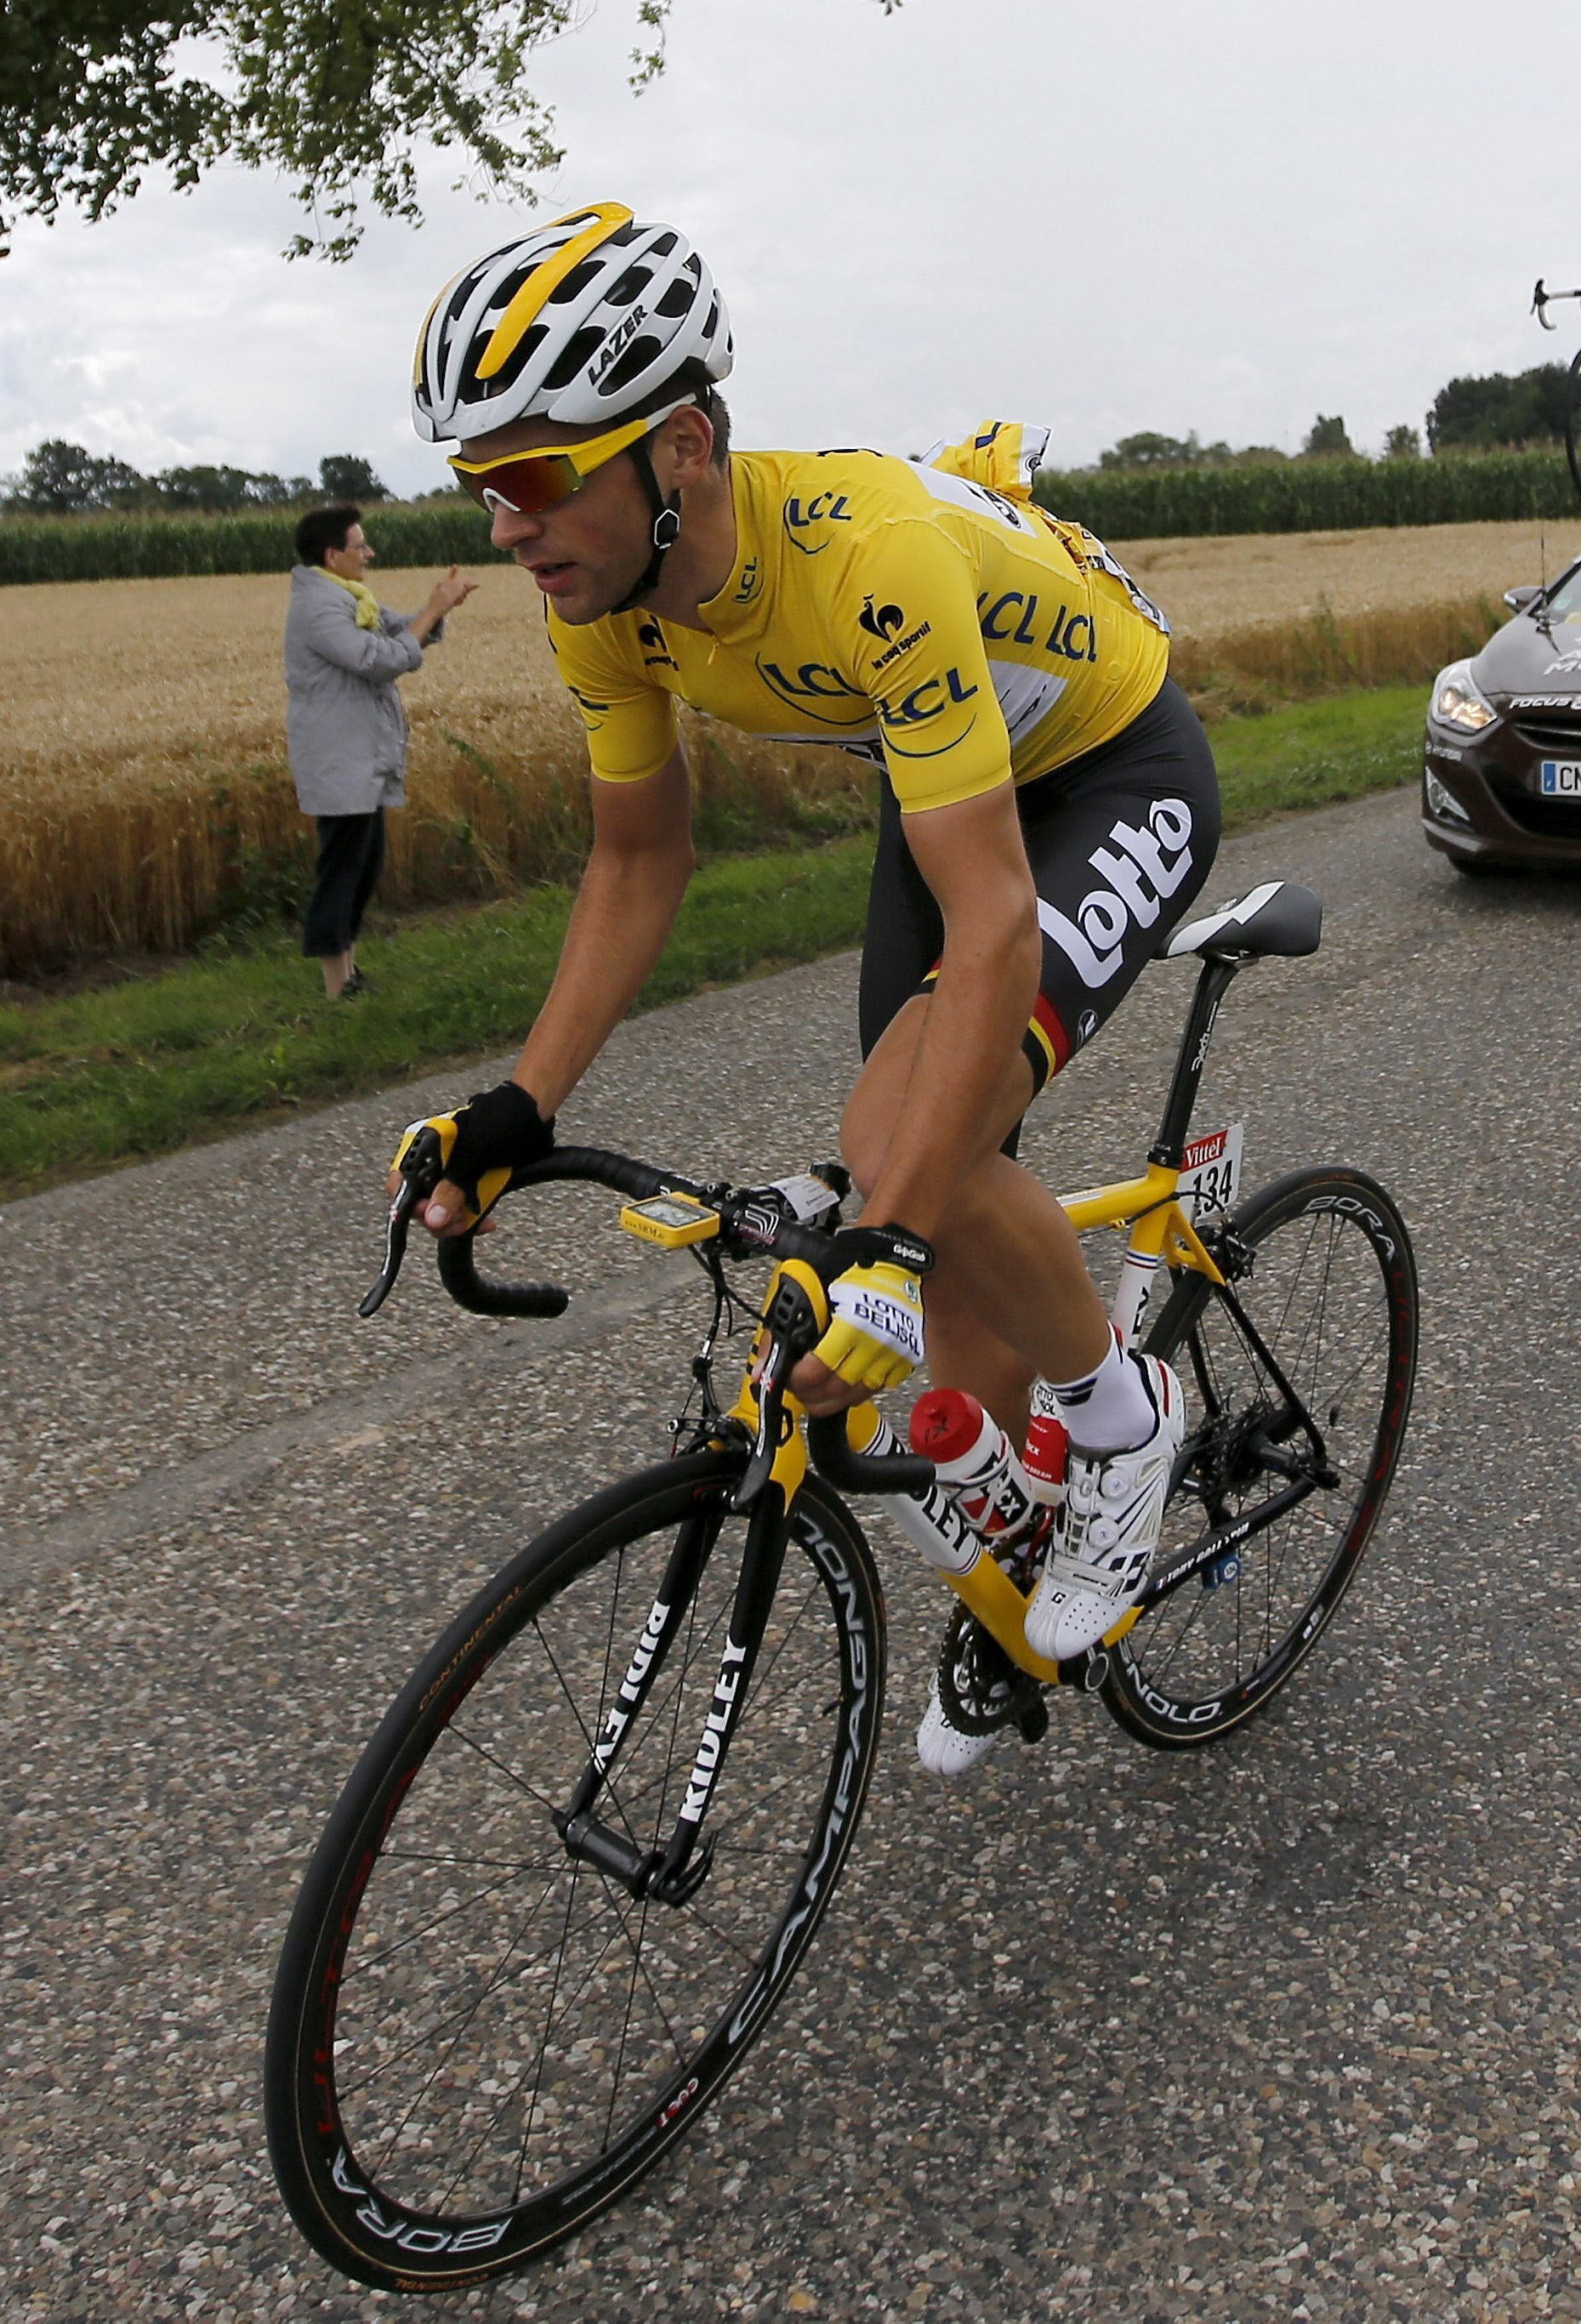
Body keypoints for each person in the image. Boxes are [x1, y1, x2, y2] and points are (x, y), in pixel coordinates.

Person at [384, 203, 1216, 1775]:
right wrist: (520, 1102)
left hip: (1111, 770)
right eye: (476, 482)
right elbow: (636, 861)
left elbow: (993, 917)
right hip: (955, 787)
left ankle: (1125, 1418)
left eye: (534, 475)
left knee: (911, 1153)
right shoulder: (607, 600)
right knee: (918, 1182)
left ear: (678, 445)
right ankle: (1013, 1543)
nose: (503, 525)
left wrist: (885, 1236)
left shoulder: (863, 556)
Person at [285, 503, 473, 998]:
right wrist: (432, 609)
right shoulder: (320, 608)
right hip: (338, 755)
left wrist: (441, 607)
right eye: (359, 546)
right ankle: (334, 987)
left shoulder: (352, 597)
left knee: (363, 865)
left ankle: (349, 975)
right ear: (332, 555)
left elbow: (401, 630)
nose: (369, 553)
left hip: (359, 753)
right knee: (341, 867)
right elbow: (377, 659)